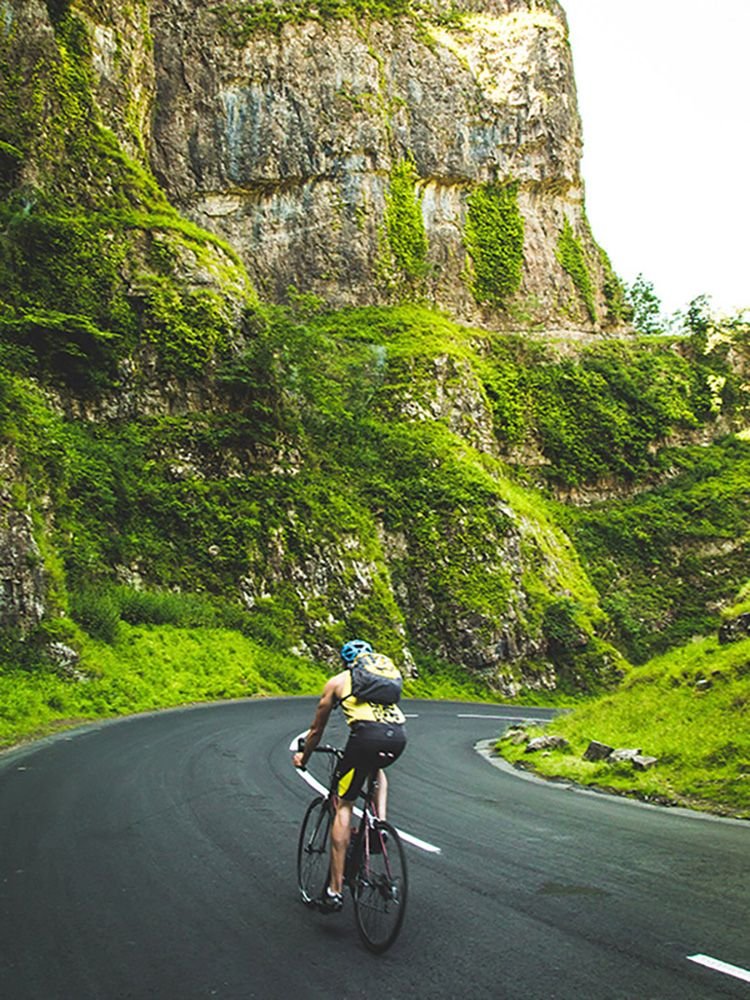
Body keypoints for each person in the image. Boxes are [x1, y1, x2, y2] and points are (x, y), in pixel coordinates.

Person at [292, 639, 407, 913]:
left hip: (366, 737)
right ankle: (378, 825)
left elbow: (316, 731)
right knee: (375, 768)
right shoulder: (381, 683)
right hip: (398, 737)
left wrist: (303, 758)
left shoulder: (338, 682)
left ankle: (334, 891)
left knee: (344, 805)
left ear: (345, 663)